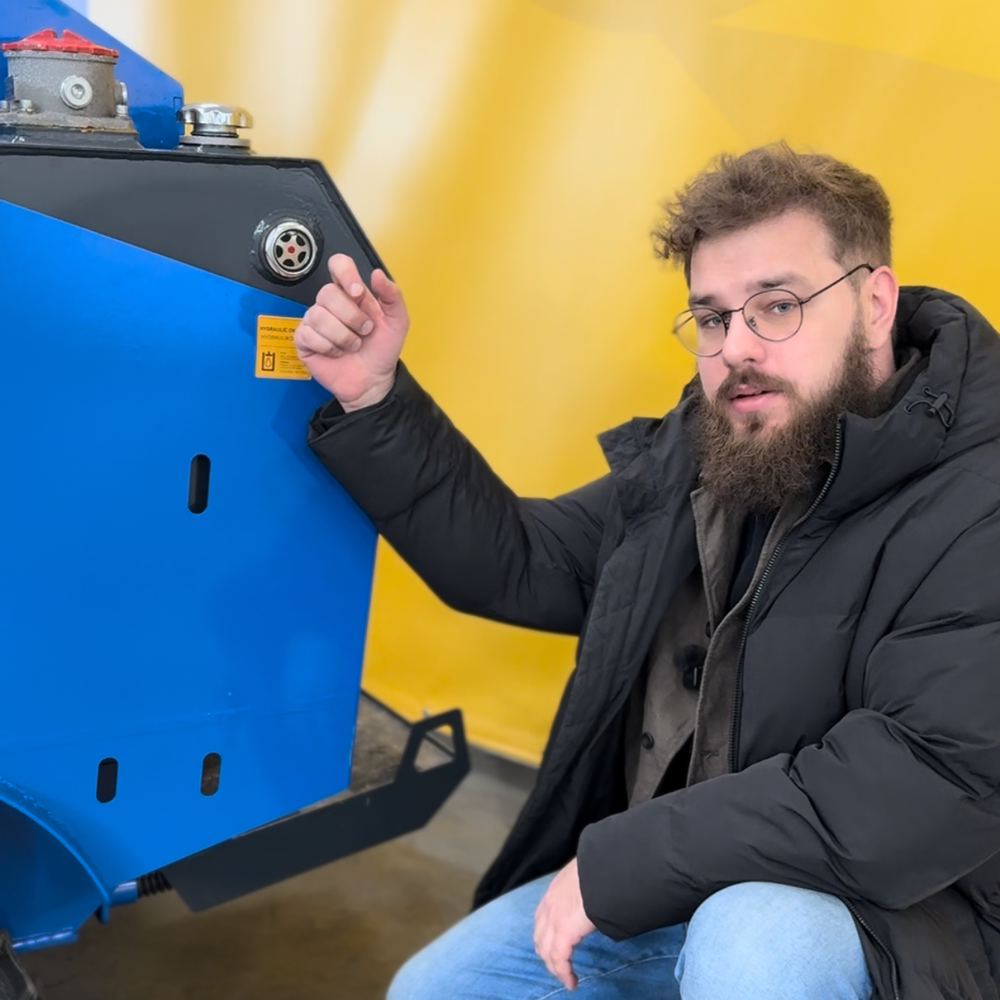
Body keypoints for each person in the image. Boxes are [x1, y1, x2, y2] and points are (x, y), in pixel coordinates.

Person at [294, 143, 1000, 1000]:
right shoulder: (713, 454)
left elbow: (932, 775)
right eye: (712, 318)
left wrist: (626, 862)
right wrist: (374, 398)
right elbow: (525, 562)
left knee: (755, 944)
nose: (738, 349)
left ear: (874, 302)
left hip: (912, 922)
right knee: (441, 987)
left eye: (777, 306)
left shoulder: (978, 494)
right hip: (698, 875)